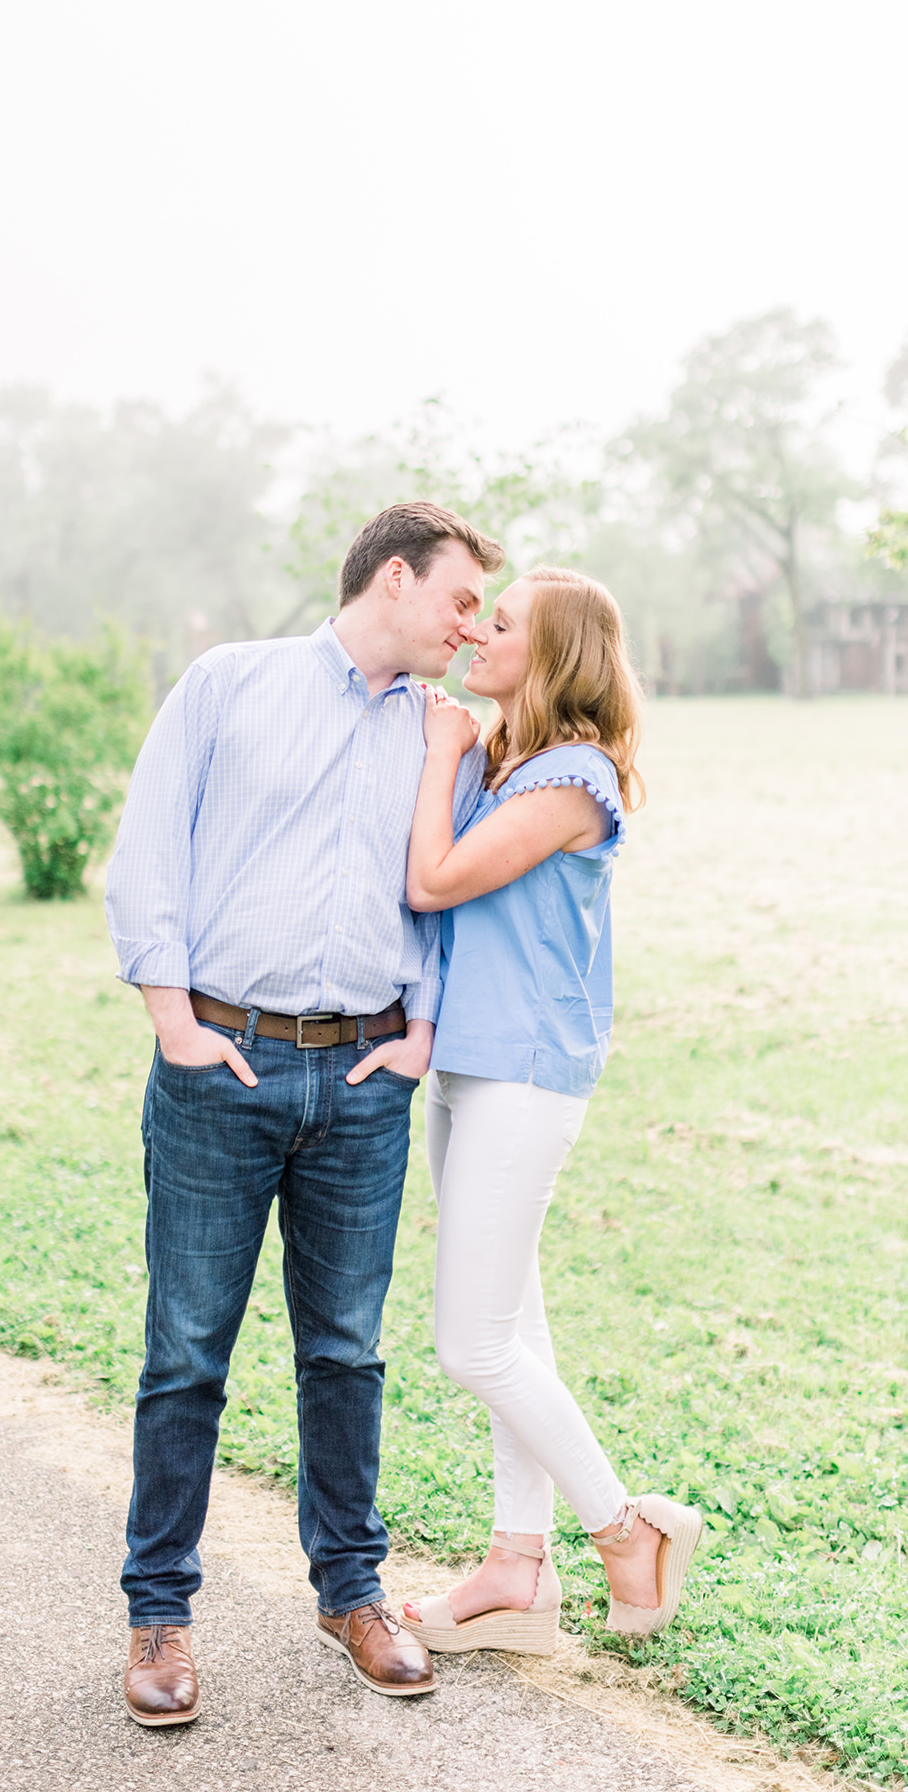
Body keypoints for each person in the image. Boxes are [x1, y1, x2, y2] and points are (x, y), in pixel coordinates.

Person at [103, 501, 504, 1725]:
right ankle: (159, 1617)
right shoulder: (230, 683)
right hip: (219, 1065)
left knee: (344, 1351)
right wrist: (175, 1018)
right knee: (186, 1355)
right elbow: (147, 848)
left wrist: (420, 1029)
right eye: (459, 601)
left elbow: (434, 893)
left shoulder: (447, 734)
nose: (471, 627)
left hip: (362, 1082)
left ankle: (351, 1592)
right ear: (395, 577)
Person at [398, 566, 703, 1656]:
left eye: (504, 621)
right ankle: (515, 1573)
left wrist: (440, 755)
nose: (479, 630)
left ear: (558, 652)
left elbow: (432, 881)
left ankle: (623, 1532)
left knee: (472, 1344)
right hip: (472, 1067)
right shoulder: (508, 758)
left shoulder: (571, 779)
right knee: (512, 1326)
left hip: (526, 1073)